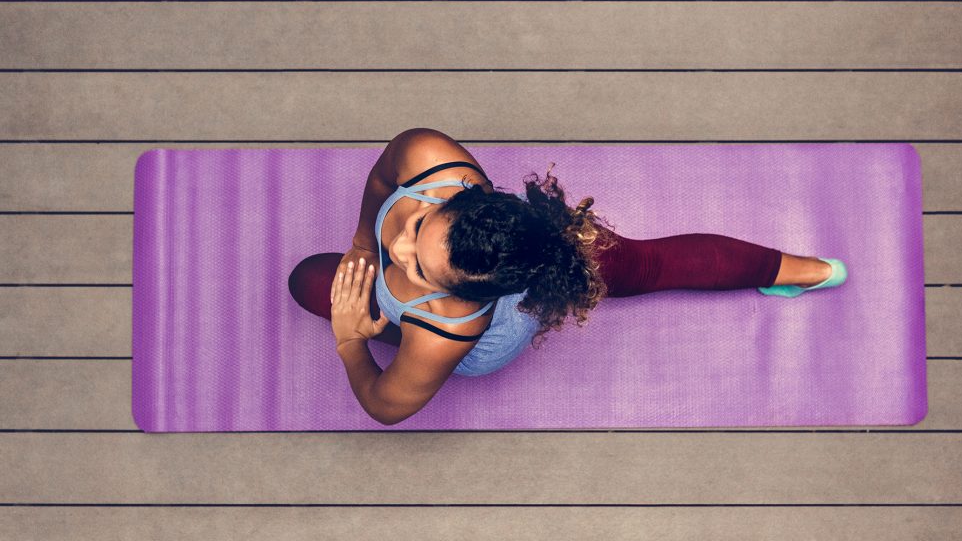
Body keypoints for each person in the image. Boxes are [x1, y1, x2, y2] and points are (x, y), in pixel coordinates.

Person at [288, 128, 847, 425]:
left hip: (483, 337)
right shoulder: (427, 154)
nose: (400, 244)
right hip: (532, 249)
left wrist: (350, 340)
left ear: (467, 295)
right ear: (461, 197)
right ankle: (817, 271)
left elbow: (388, 406)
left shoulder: (443, 329)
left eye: (416, 266)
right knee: (306, 279)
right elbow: (386, 178)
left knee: (311, 285)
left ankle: (811, 271)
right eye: (420, 224)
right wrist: (366, 240)